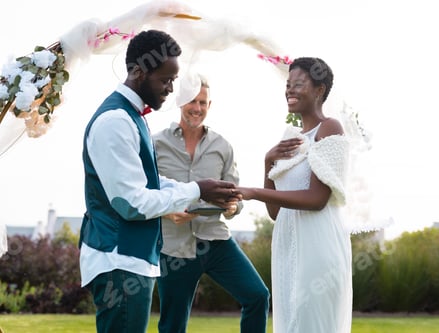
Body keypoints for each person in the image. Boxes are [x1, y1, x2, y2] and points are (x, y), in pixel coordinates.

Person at [79, 30, 240, 333]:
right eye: (165, 80)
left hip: (130, 259)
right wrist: (197, 189)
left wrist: (198, 191)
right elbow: (131, 203)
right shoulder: (116, 121)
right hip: (118, 260)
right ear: (138, 72)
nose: (170, 89)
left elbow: (150, 182)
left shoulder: (133, 117)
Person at [236, 57, 352, 333]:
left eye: (298, 84)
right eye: (288, 85)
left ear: (319, 90)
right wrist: (267, 162)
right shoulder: (291, 137)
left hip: (317, 245)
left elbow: (316, 199)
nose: (289, 90)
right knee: (290, 322)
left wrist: (253, 192)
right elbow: (276, 212)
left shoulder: (330, 128)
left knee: (311, 321)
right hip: (287, 245)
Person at [152, 72, 270, 333]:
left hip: (216, 242)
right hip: (174, 248)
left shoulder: (222, 146)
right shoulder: (155, 144)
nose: (197, 108)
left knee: (257, 296)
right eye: (192, 101)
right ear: (180, 102)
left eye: (203, 102)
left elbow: (235, 195)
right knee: (172, 324)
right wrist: (169, 213)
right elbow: (146, 194)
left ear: (209, 106)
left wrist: (232, 207)